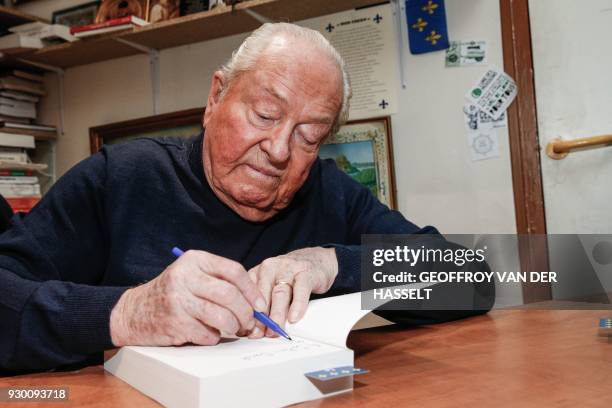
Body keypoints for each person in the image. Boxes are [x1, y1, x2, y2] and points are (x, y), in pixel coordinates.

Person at [0, 23, 493, 374]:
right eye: (263, 114)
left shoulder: (328, 193)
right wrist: (127, 312)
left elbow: (473, 281)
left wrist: (332, 264)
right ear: (216, 97)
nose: (280, 151)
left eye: (309, 136)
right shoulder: (121, 179)